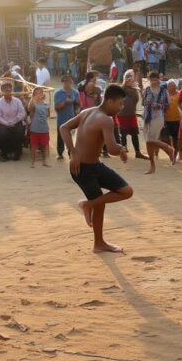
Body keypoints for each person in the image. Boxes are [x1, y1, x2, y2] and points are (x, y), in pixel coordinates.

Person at [59, 84, 133, 253]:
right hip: (83, 169)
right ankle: (98, 241)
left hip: (93, 165)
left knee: (126, 191)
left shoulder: (87, 111)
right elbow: (112, 149)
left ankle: (88, 205)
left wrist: (73, 152)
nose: (121, 108)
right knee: (100, 205)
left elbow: (64, 128)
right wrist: (120, 149)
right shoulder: (105, 119)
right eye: (120, 104)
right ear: (109, 100)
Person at [142, 71, 176, 174]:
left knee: (149, 140)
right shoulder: (147, 90)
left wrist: (159, 106)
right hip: (147, 117)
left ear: (159, 79)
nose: (153, 81)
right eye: (152, 79)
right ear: (149, 80)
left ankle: (168, 149)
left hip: (158, 117)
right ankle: (153, 164)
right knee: (149, 141)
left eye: (155, 79)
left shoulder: (163, 91)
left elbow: (168, 105)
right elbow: (143, 103)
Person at [116, 70, 146, 159]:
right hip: (122, 115)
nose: (129, 80)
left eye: (131, 79)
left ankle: (137, 152)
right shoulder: (120, 89)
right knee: (123, 134)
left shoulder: (134, 90)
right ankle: (123, 152)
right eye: (128, 79)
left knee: (134, 133)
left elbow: (136, 101)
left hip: (131, 115)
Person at [0, 82, 26, 161]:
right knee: (2, 134)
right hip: (3, 123)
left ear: (12, 90)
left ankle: (17, 153)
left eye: (9, 89)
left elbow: (22, 113)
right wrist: (6, 123)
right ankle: (4, 154)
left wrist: (15, 121)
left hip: (16, 121)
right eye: (5, 90)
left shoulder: (17, 101)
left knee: (19, 132)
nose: (8, 91)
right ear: (2, 91)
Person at [54, 75, 79, 160]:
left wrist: (77, 109)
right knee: (60, 137)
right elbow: (56, 107)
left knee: (72, 137)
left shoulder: (75, 93)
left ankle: (71, 153)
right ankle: (60, 153)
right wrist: (65, 102)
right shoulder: (58, 93)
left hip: (72, 118)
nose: (66, 83)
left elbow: (78, 104)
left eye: (68, 81)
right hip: (62, 119)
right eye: (65, 81)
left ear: (71, 82)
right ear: (62, 83)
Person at [27, 87, 51, 168]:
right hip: (35, 129)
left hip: (44, 129)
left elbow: (48, 115)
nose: (39, 95)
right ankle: (32, 162)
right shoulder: (33, 104)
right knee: (33, 146)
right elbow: (29, 109)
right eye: (36, 93)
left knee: (44, 146)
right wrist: (32, 98)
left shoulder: (46, 104)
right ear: (34, 95)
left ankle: (45, 161)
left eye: (40, 93)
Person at [162, 79, 182, 153]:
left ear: (175, 86)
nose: (172, 87)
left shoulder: (180, 94)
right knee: (166, 138)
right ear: (167, 87)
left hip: (177, 120)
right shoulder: (164, 95)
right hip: (166, 120)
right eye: (170, 86)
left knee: (176, 137)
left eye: (173, 86)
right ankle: (171, 150)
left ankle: (176, 151)